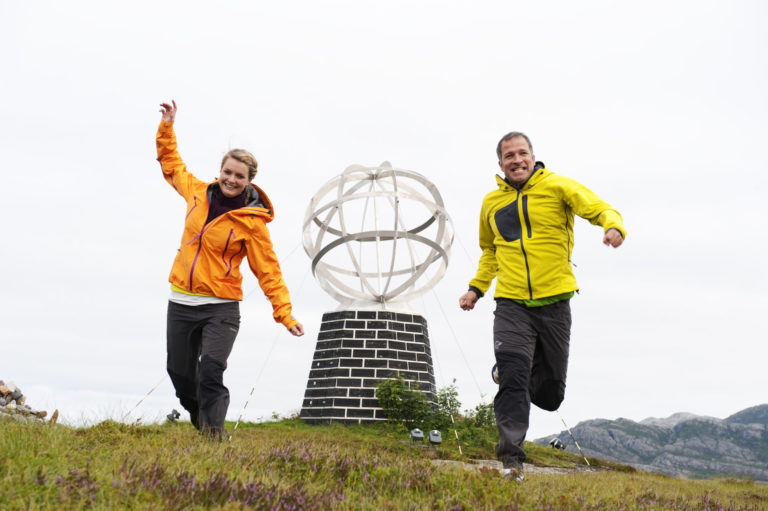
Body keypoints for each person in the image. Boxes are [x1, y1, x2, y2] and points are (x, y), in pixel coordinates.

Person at [459, 131, 625, 480]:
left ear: (533, 157)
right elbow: (490, 251)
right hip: (511, 303)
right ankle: (512, 463)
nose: (516, 160)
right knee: (515, 378)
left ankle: (510, 375)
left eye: (522, 153)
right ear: (500, 164)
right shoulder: (491, 202)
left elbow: (597, 207)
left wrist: (613, 225)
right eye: (509, 156)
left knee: (550, 396)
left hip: (554, 304)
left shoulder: (558, 186)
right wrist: (476, 289)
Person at [156, 100, 304, 439]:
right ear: (219, 172)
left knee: (210, 369)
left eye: (240, 176)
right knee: (179, 373)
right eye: (228, 172)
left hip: (221, 307)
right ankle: (201, 419)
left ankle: (215, 436)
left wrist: (286, 314)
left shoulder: (252, 224)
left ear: (250, 181)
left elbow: (269, 271)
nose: (231, 180)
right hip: (181, 302)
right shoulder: (196, 193)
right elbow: (170, 163)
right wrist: (167, 126)